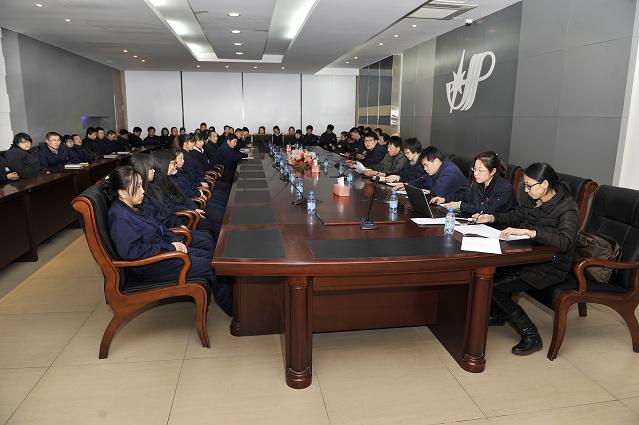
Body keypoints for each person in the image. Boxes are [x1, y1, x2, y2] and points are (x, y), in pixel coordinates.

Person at [474, 162, 579, 355]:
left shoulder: (567, 208)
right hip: (529, 257)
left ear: (545, 184)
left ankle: (531, 335)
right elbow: (517, 215)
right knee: (489, 274)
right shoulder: (534, 198)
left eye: (529, 186)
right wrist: (492, 218)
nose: (526, 190)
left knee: (494, 287)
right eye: (525, 185)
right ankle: (499, 314)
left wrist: (531, 232)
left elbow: (565, 241)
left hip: (551, 265)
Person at [106, 165, 232, 315]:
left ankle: (235, 302)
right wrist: (172, 248)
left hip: (163, 253)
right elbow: (133, 251)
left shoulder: (133, 208)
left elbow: (158, 227)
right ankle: (234, 311)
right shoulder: (120, 218)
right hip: (153, 265)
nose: (143, 191)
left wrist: (174, 241)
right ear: (122, 192)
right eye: (138, 187)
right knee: (214, 267)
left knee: (213, 259)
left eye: (141, 186)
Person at [431, 151, 517, 215]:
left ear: (493, 171)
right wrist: (445, 199)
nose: (475, 173)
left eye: (480, 170)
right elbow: (466, 197)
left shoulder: (505, 188)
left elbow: (488, 209)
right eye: (474, 169)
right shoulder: (478, 183)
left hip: (501, 228)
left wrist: (460, 205)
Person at [397, 146, 468, 200]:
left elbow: (437, 192)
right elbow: (423, 179)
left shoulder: (449, 171)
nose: (424, 169)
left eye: (426, 165)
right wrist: (408, 185)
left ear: (436, 161)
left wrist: (426, 190)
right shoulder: (439, 167)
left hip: (459, 206)